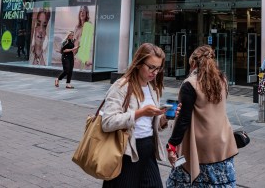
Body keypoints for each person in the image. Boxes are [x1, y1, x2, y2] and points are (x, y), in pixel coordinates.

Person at [166, 45, 238, 187]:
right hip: (222, 141)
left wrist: (172, 144)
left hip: (199, 145)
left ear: (193, 63)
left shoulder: (190, 84)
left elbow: (183, 118)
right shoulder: (222, 79)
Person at [101, 43, 168, 188]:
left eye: (159, 68)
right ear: (138, 63)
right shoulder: (122, 86)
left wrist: (163, 118)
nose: (155, 72)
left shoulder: (153, 88)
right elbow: (107, 122)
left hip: (148, 149)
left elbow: (149, 124)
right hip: (126, 151)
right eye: (151, 67)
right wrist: (139, 113)